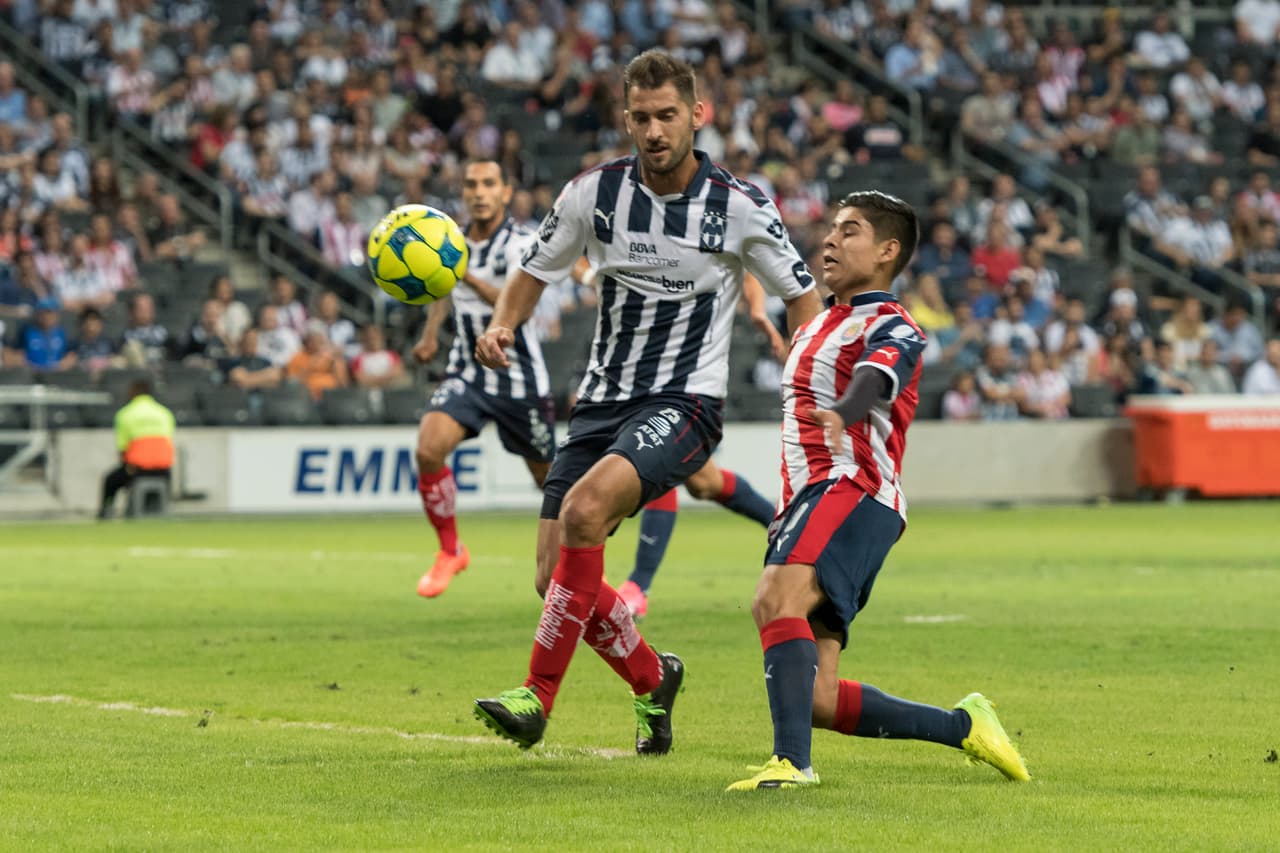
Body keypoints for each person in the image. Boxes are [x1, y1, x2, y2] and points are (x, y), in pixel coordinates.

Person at [471, 50, 823, 754]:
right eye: (641, 117)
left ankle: (537, 695)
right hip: (600, 400)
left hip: (684, 400)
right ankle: (652, 676)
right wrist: (503, 321)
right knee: (554, 576)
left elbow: (803, 296)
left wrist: (805, 366)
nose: (655, 130)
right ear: (625, 118)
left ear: (697, 114)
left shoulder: (742, 204)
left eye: (668, 115)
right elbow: (532, 270)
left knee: (583, 513)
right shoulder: (592, 193)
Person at [727, 191, 1029, 791]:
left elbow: (875, 373)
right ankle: (964, 726)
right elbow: (815, 359)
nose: (831, 240)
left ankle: (792, 764)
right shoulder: (823, 323)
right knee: (818, 697)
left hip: (852, 490)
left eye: (851, 231)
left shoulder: (897, 325)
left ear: (888, 251)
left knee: (774, 597)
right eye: (832, 229)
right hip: (809, 502)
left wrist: (846, 410)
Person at [410, 159, 555, 598]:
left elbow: (515, 301)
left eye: (489, 184)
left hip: (519, 378)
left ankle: (580, 565)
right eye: (471, 184)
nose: (479, 192)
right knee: (428, 449)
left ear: (506, 192)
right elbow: (441, 288)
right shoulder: (448, 240)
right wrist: (431, 333)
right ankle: (450, 549)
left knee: (551, 486)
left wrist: (460, 271)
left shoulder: (520, 243)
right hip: (468, 370)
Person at [99, 378, 175, 519]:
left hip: (137, 469)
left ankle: (105, 511)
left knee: (110, 480)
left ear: (133, 393)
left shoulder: (125, 414)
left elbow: (123, 448)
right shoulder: (165, 413)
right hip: (164, 470)